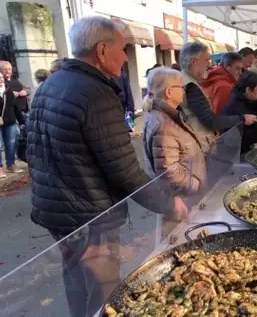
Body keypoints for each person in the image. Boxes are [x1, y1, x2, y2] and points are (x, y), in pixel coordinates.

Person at [27, 16, 186, 317]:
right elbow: (125, 171)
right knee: (104, 294)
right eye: (123, 48)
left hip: (56, 213)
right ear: (102, 50)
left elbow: (30, 151)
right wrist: (169, 204)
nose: (126, 56)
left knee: (76, 283)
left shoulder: (51, 84)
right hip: (90, 217)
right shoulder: (97, 95)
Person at [180, 42, 257, 148]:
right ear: (193, 61)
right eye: (207, 60)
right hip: (199, 146)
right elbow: (210, 120)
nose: (210, 64)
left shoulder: (191, 81)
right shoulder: (191, 87)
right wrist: (242, 119)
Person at [143, 66, 206, 196]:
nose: (183, 91)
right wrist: (195, 184)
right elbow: (169, 170)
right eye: (180, 87)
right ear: (169, 92)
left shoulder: (168, 115)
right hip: (181, 199)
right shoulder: (164, 125)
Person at [0, 73, 25, 178]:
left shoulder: (8, 91)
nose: (1, 79)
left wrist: (21, 121)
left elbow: (15, 106)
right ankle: (0, 168)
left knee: (11, 144)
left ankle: (10, 164)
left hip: (9, 121)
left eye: (1, 77)